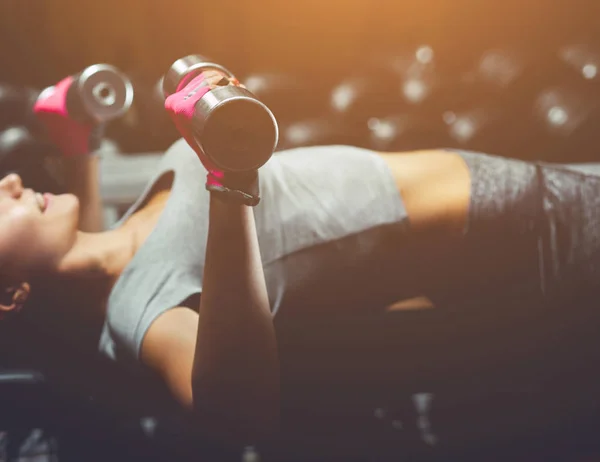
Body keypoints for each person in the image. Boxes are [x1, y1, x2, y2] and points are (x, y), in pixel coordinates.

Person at [0, 129, 599, 448]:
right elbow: (237, 414)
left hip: (510, 195)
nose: (10, 178)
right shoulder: (139, 310)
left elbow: (82, 263)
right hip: (527, 236)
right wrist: (230, 179)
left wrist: (80, 140)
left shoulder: (119, 239)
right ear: (10, 296)